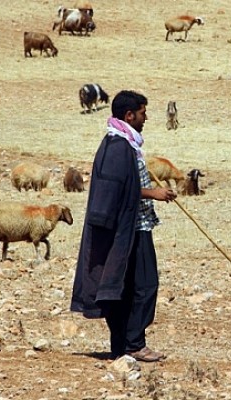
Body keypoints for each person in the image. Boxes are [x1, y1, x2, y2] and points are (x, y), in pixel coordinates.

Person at [70, 90, 177, 362]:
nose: (146, 118)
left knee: (127, 287)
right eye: (142, 113)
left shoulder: (123, 143)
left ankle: (123, 345)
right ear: (129, 115)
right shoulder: (118, 147)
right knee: (145, 285)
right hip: (131, 229)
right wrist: (154, 193)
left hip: (133, 226)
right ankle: (134, 343)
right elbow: (116, 191)